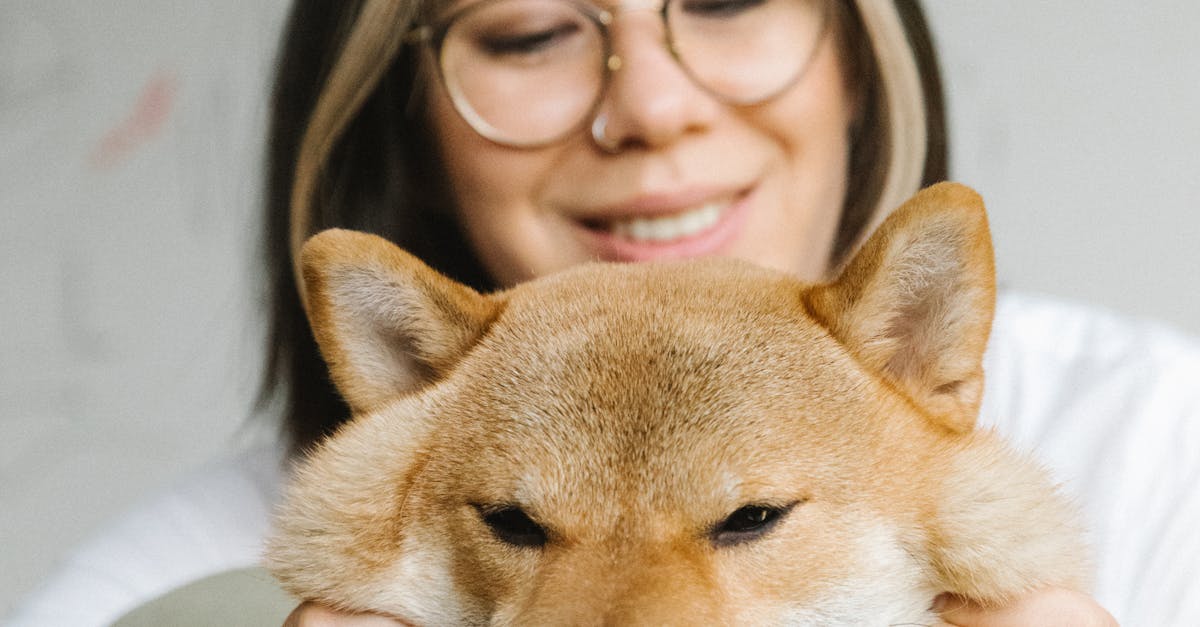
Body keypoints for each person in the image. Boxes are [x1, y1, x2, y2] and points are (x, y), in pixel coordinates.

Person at [7, 0, 1197, 625]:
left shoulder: (1163, 444)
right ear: (396, 109)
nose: (655, 106)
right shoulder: (173, 579)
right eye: (530, 33)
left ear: (852, 45)